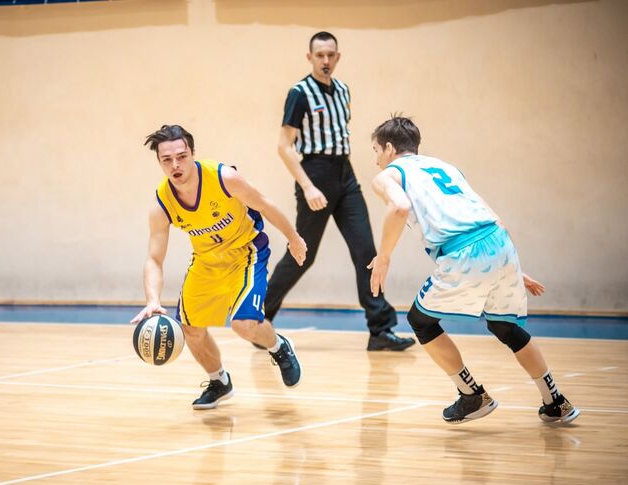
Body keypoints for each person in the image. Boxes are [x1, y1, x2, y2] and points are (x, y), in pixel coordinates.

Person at [368, 116, 580, 424]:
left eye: (376, 151)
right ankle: (555, 401)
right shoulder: (446, 167)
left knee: (420, 322)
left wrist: (384, 256)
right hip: (499, 243)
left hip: (463, 251)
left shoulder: (389, 174)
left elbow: (399, 207)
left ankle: (471, 395)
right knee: (506, 328)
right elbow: (491, 217)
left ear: (389, 148)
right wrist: (510, 268)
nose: (376, 160)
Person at [131, 124, 308, 410]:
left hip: (246, 252)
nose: (175, 165)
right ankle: (219, 381)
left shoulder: (224, 178)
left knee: (244, 325)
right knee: (190, 328)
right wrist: (152, 300)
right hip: (206, 260)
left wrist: (294, 238)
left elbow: (264, 204)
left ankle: (279, 346)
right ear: (160, 162)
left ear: (192, 154)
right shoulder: (162, 203)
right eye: (167, 159)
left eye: (181, 156)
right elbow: (154, 259)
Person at [262, 31, 415, 352]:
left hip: (345, 174)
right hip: (315, 173)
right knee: (302, 254)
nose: (325, 60)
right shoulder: (299, 93)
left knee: (366, 251)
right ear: (310, 58)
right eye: (319, 55)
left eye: (330, 55)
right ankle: (259, 318)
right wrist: (308, 186)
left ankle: (380, 329)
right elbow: (284, 146)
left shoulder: (343, 90)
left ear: (338, 57)